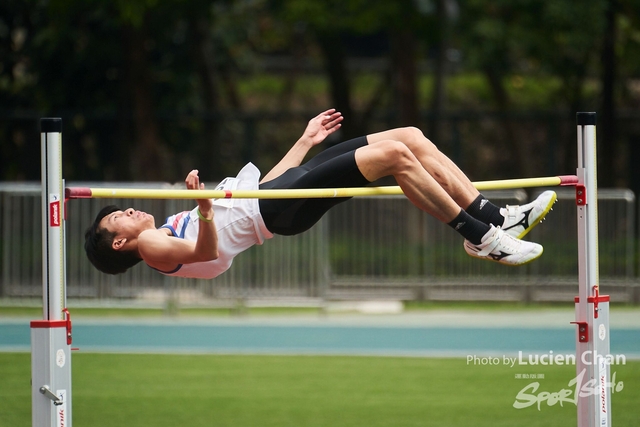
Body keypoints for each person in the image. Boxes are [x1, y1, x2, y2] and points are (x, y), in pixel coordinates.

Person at [84, 109, 557, 279]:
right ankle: (480, 236)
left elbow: (263, 186)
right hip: (274, 214)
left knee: (409, 137)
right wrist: (206, 209)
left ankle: (498, 216)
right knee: (394, 156)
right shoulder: (151, 248)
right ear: (120, 243)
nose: (126, 210)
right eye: (116, 221)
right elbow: (207, 249)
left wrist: (306, 140)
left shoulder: (164, 229)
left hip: (274, 195)